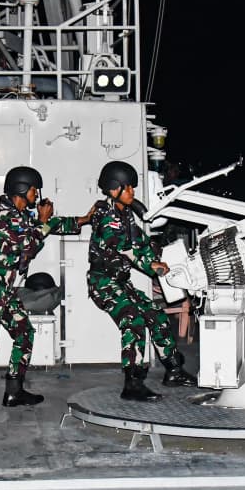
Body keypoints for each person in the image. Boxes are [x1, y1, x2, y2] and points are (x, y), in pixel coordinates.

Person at [0, 166, 95, 422]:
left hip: (6, 290)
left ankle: (14, 391)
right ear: (21, 189)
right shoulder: (5, 219)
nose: (37, 194)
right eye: (34, 190)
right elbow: (29, 246)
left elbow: (50, 226)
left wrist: (84, 219)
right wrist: (42, 221)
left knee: (24, 332)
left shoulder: (19, 215)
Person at [88, 161, 196, 401]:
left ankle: (174, 370)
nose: (132, 192)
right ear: (114, 188)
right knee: (133, 320)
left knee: (155, 314)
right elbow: (126, 249)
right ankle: (133, 384)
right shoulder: (106, 216)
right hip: (102, 283)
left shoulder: (124, 213)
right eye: (128, 187)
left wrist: (160, 257)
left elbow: (141, 243)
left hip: (120, 282)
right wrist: (150, 266)